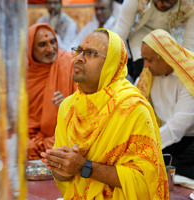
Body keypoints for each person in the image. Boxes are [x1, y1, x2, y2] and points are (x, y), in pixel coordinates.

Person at [41, 28, 169, 199]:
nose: (79, 58)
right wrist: (60, 166)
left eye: (91, 53)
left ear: (112, 64)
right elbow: (64, 177)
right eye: (78, 51)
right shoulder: (69, 107)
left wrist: (84, 167)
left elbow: (147, 183)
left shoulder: (133, 109)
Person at [137, 29, 194, 179]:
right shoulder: (148, 75)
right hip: (164, 139)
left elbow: (177, 127)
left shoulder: (190, 76)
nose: (145, 65)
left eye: (149, 60)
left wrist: (143, 146)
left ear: (164, 57)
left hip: (189, 143)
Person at [27, 23, 76, 160]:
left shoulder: (70, 63)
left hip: (61, 137)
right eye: (42, 44)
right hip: (29, 140)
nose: (50, 49)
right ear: (30, 48)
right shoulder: (22, 73)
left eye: (53, 42)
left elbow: (86, 111)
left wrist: (67, 103)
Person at [113, 0, 194, 82]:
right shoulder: (135, 1)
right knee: (143, 70)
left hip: (168, 40)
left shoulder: (191, 5)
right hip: (140, 35)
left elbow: (188, 48)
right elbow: (120, 34)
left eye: (168, 1)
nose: (161, 4)